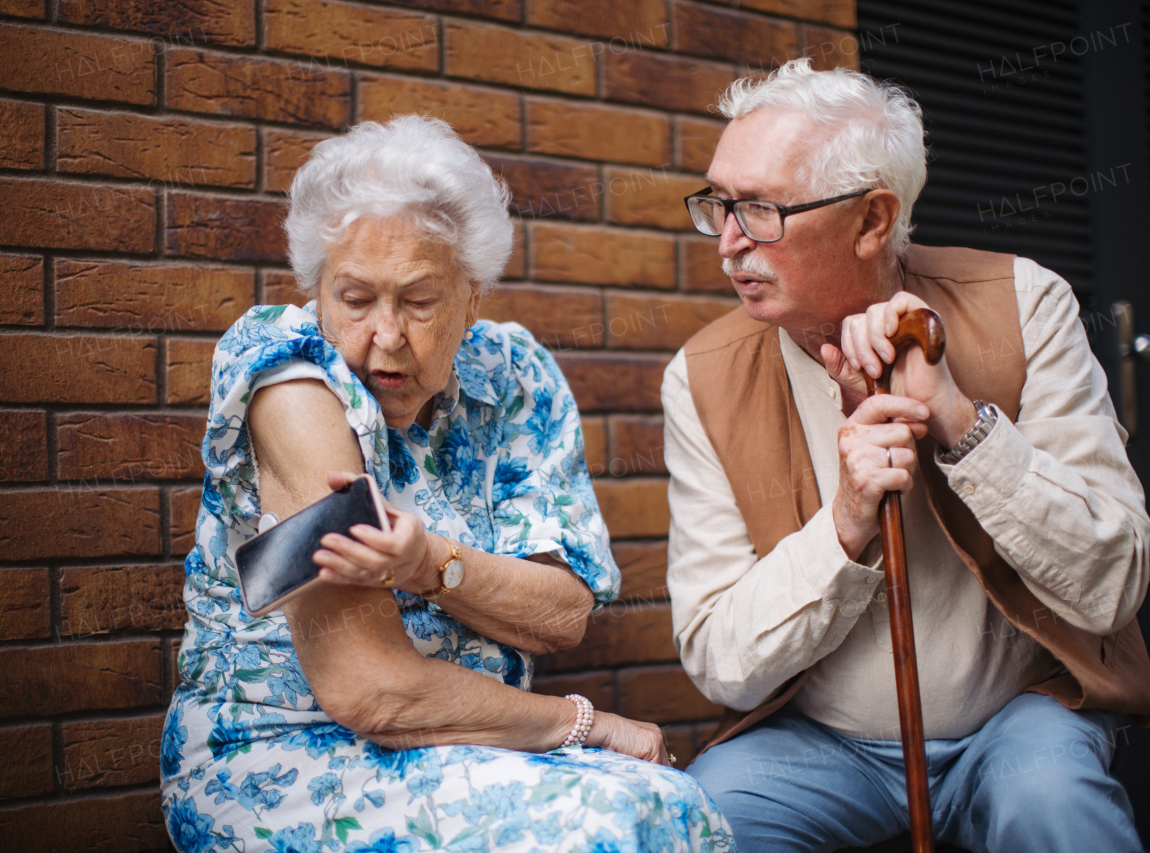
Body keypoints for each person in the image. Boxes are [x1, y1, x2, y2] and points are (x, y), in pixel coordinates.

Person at [160, 115, 735, 853]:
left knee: (681, 805)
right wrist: (584, 724)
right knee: (617, 823)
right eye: (356, 298)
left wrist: (428, 562)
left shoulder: (515, 376)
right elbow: (369, 688)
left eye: (420, 300)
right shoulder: (288, 381)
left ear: (472, 296)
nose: (387, 335)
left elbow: (561, 613)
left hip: (477, 746)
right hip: (283, 754)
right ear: (317, 289)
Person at [663, 59, 1150, 853]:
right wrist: (846, 521)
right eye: (717, 205)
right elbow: (720, 660)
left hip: (1016, 722)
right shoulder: (701, 378)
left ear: (871, 221)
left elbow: (1114, 585)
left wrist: (958, 419)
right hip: (821, 745)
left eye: (758, 211)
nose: (727, 243)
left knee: (1054, 804)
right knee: (703, 820)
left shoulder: (1026, 303)